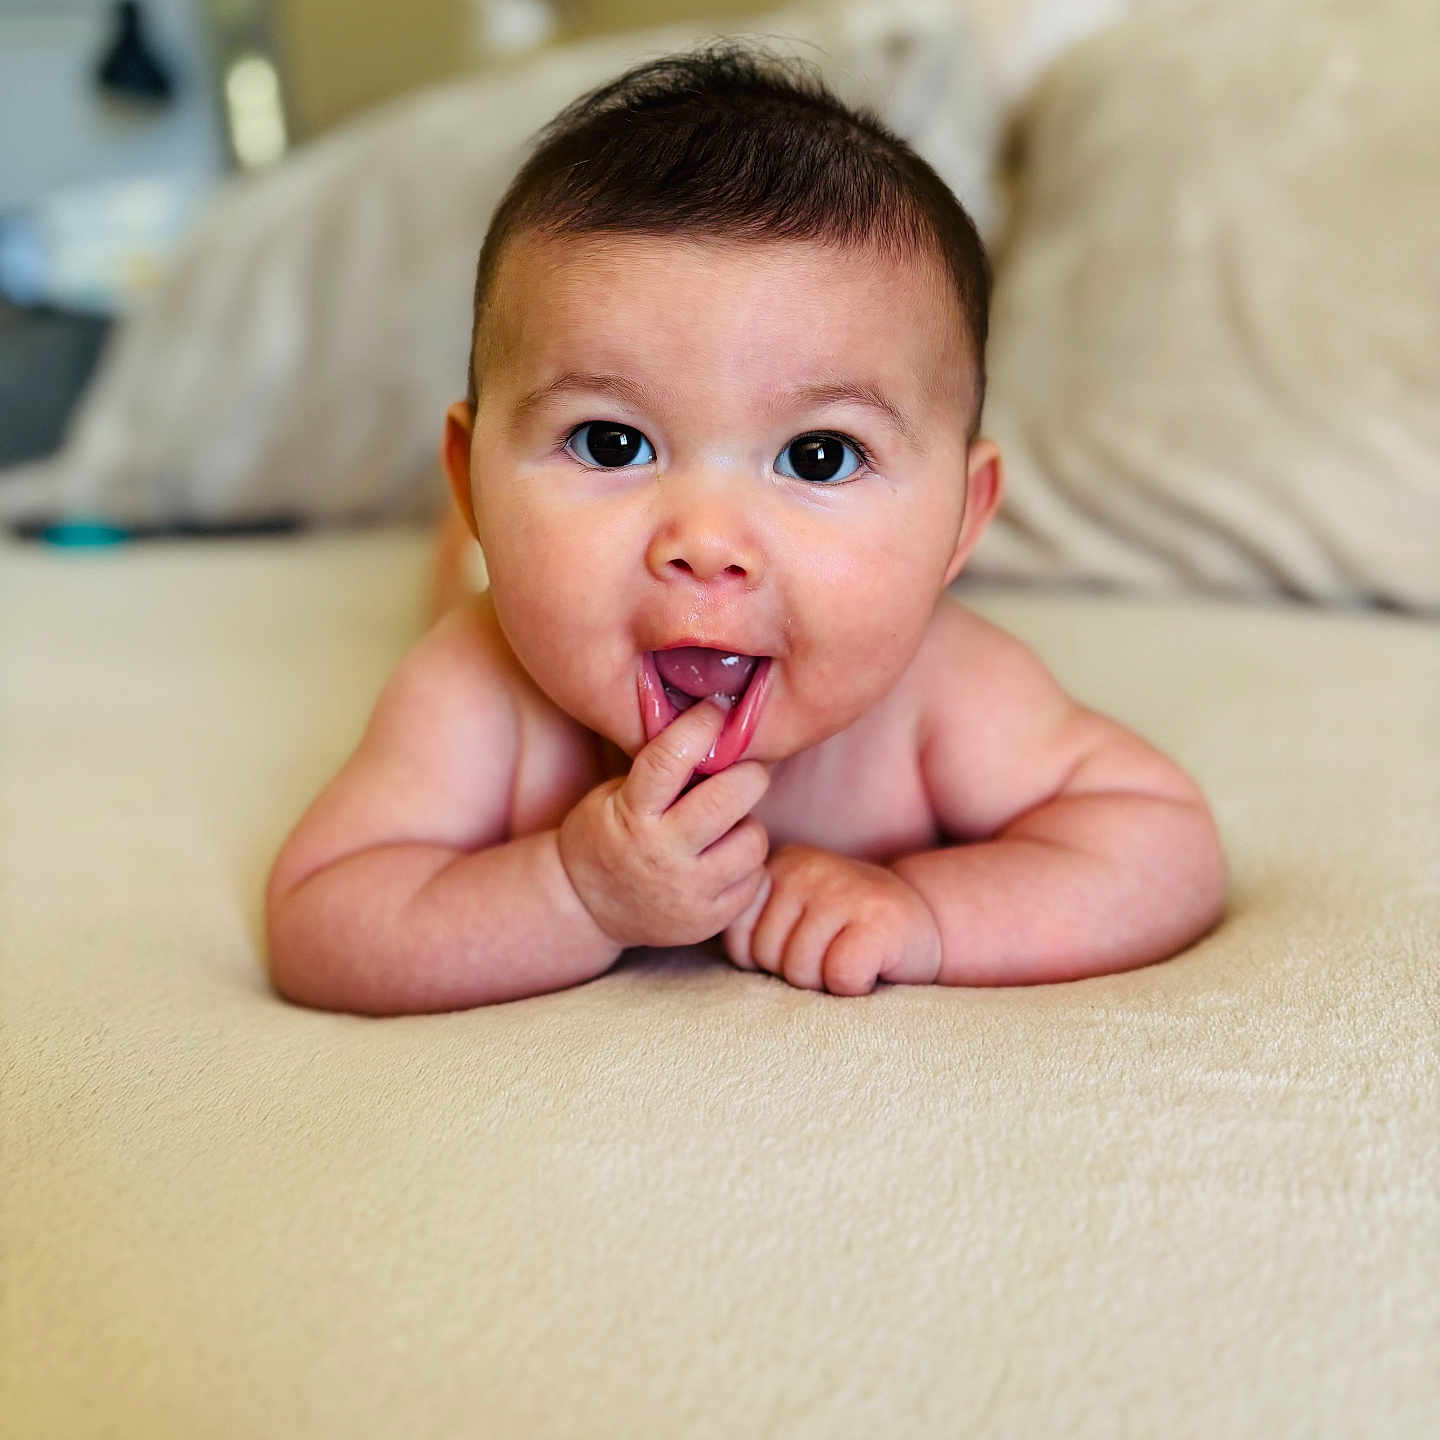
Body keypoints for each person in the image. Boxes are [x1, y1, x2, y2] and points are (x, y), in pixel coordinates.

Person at [265, 45, 1225, 1013]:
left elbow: (1161, 844)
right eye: (609, 442)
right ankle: (461, 548)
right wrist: (573, 892)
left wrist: (924, 912)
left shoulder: (948, 688)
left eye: (818, 458)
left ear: (959, 524)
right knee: (470, 598)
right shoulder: (479, 689)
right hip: (494, 585)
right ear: (474, 481)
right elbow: (322, 921)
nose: (707, 542)